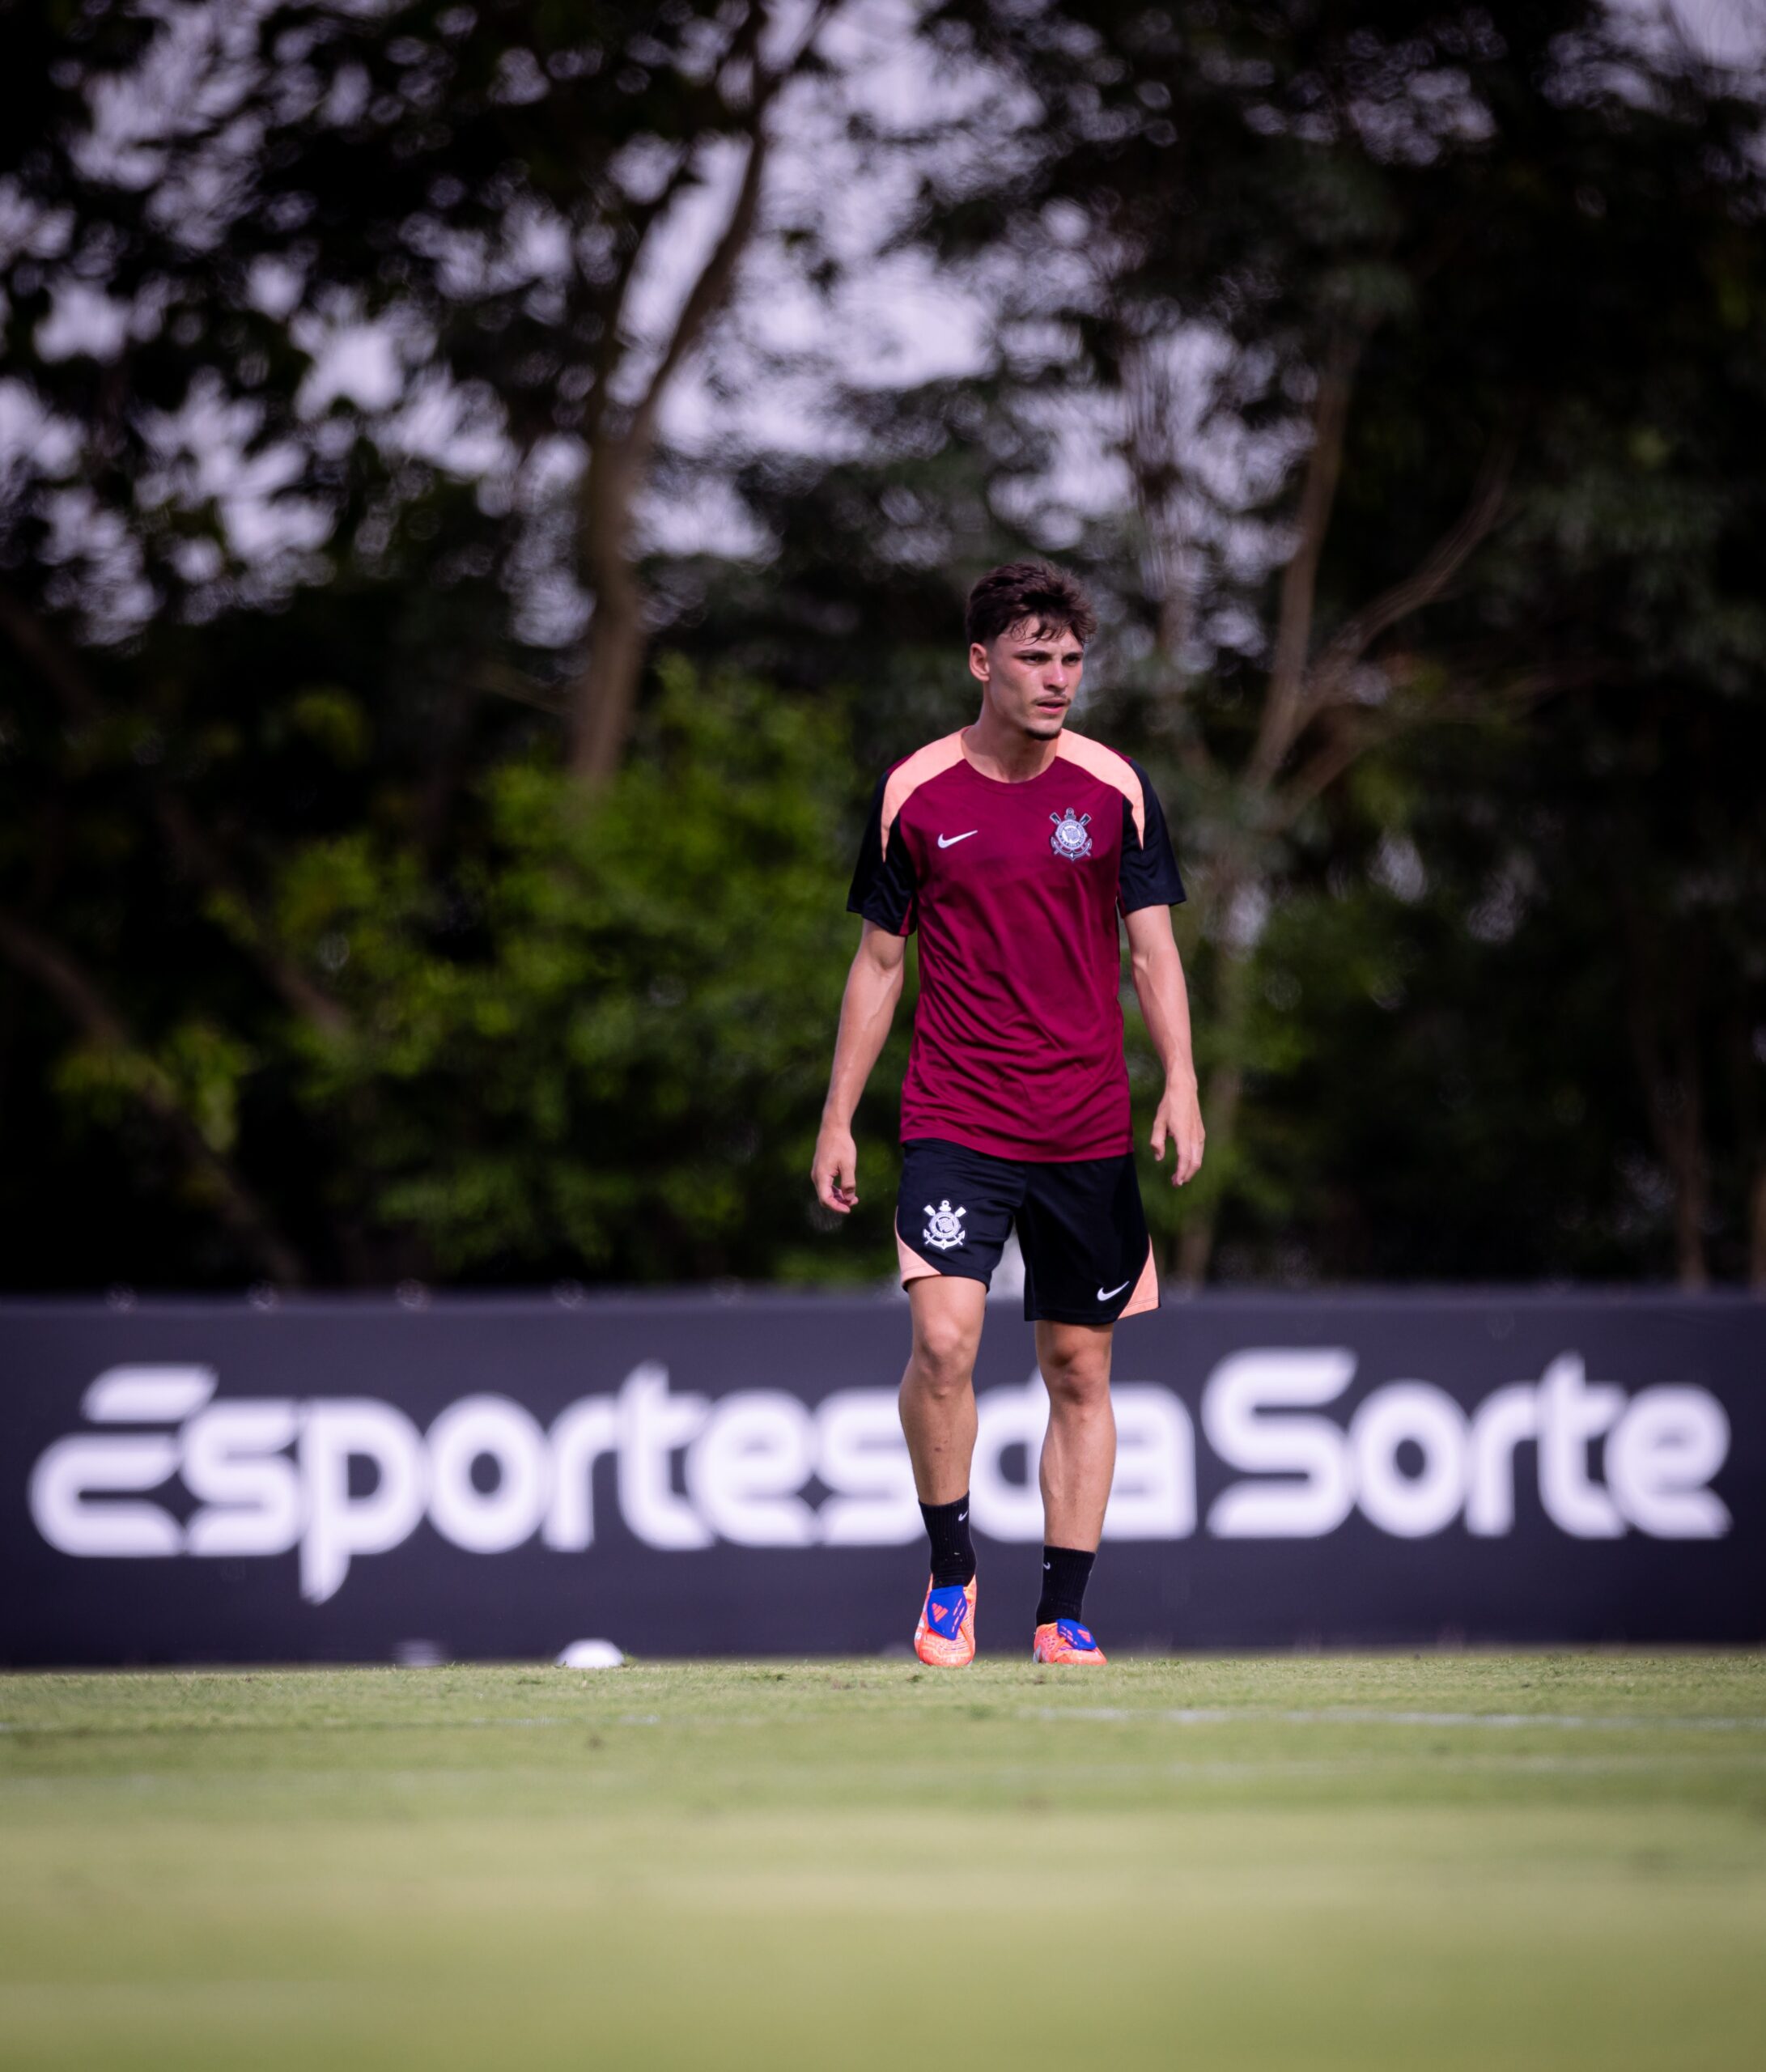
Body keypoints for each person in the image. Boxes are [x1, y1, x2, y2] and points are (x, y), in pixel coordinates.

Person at [811, 560, 1205, 1667]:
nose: (1056, 678)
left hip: (1084, 1126)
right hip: (956, 1117)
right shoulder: (915, 794)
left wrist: (1179, 1080)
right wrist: (837, 1118)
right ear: (980, 662)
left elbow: (1152, 951)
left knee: (1079, 1370)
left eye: (1071, 659)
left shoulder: (1114, 788)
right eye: (1033, 657)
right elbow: (878, 966)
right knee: (942, 1340)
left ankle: (1062, 1612)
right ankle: (949, 1573)